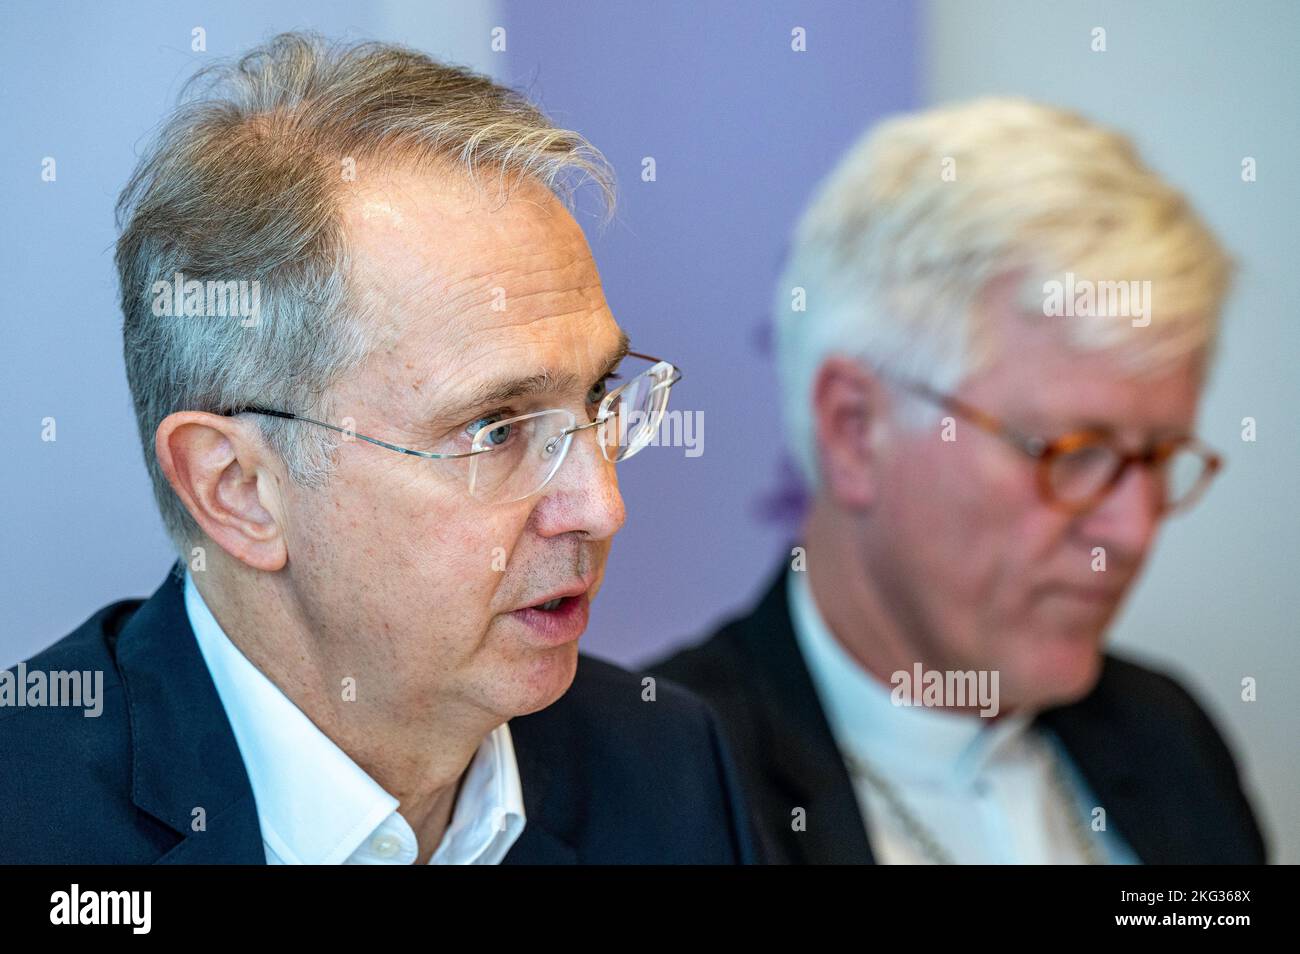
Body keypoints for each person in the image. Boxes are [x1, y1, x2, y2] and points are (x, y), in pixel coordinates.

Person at [0, 33, 757, 865]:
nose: (602, 507)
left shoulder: (669, 766)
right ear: (239, 489)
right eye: (496, 429)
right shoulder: (28, 816)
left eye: (596, 399)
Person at [652, 97, 1266, 864]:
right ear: (854, 429)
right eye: (1072, 453)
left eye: (1158, 457)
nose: (1134, 529)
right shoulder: (663, 790)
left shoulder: (1167, 738)